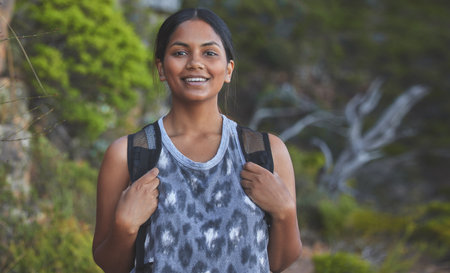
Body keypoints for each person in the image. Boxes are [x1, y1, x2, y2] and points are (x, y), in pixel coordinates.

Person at [92, 7, 302, 273]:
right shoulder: (127, 154)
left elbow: (279, 263)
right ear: (161, 68)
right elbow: (109, 265)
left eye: (209, 52)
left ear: (228, 70)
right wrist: (125, 226)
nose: (195, 62)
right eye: (180, 52)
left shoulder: (267, 151)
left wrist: (285, 212)